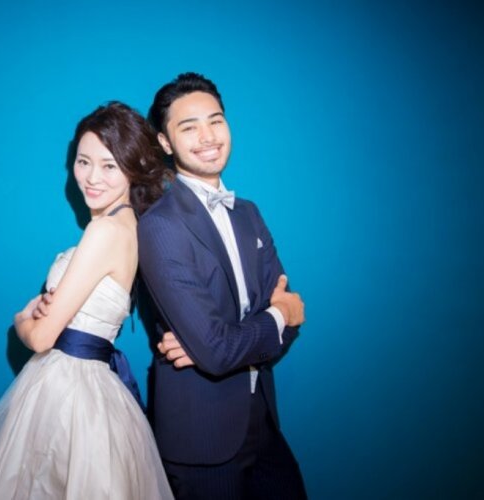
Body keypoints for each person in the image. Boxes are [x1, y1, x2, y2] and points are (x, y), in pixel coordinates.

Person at [0, 102, 174, 499]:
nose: (92, 177)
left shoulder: (105, 231)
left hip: (69, 392)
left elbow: (41, 338)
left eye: (109, 165)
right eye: (83, 162)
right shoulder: (130, 226)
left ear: (133, 167)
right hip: (89, 392)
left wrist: (22, 319)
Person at [137, 73, 307, 499]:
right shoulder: (160, 225)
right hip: (203, 439)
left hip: (263, 420)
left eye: (216, 121)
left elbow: (292, 321)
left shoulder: (248, 212)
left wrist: (230, 341)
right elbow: (220, 349)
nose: (208, 137)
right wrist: (276, 316)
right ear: (165, 142)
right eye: (189, 127)